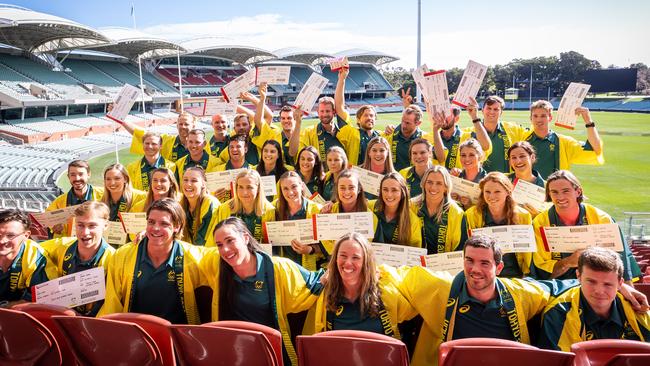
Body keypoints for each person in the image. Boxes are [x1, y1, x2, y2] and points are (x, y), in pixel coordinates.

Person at [397, 235, 647, 366]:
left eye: (485, 263)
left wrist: (620, 288)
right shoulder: (439, 286)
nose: (475, 269)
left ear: (499, 266)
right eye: (469, 261)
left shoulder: (520, 292)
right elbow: (391, 274)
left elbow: (558, 286)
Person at [202, 217, 324, 365]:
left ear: (246, 238)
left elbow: (316, 282)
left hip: (269, 352)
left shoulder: (278, 268)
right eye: (219, 245)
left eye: (230, 240)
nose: (225, 250)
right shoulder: (216, 264)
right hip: (234, 353)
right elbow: (190, 253)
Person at [99, 198, 206, 324]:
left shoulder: (193, 256)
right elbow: (112, 303)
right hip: (136, 333)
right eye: (151, 222)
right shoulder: (122, 256)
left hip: (175, 336)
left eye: (164, 224)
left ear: (177, 226)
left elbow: (220, 256)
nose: (155, 228)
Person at [530, 170, 640, 281]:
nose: (560, 197)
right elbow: (541, 272)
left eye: (565, 191)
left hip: (597, 280)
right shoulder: (540, 223)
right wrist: (568, 262)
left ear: (578, 191)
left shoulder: (602, 218)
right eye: (554, 192)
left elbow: (621, 265)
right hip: (558, 285)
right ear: (548, 194)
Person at [539, 247, 650, 351]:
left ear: (620, 283)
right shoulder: (559, 313)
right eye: (591, 282)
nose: (599, 291)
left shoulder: (638, 309)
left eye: (608, 284)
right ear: (578, 276)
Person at [307, 232, 416, 338]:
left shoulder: (387, 290)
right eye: (343, 256)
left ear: (366, 262)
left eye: (356, 257)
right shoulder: (324, 292)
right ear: (335, 259)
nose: (348, 263)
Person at [40, 201, 115, 316]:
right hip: (60, 316)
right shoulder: (62, 246)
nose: (85, 233)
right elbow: (30, 249)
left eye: (92, 226)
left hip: (94, 322)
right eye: (80, 225)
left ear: (105, 226)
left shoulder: (114, 259)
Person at [465, 172, 533, 277]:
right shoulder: (471, 215)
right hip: (483, 274)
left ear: (507, 192)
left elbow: (529, 253)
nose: (491, 196)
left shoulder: (523, 216)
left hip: (515, 275)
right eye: (487, 191)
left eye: (497, 191)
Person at [523, 100, 604, 179]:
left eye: (543, 116)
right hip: (527, 190)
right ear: (531, 118)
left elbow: (595, 149)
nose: (539, 120)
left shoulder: (564, 142)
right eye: (535, 116)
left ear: (550, 118)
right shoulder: (523, 139)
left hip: (554, 190)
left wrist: (589, 122)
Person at [0, 209, 56, 305]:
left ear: (26, 235)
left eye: (10, 235)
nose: (2, 241)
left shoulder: (35, 258)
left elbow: (40, 300)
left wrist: (6, 308)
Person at [411, 166, 468, 254]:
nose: (433, 187)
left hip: (444, 265)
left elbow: (461, 248)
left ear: (446, 187)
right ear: (423, 184)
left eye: (439, 183)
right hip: (414, 264)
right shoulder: (411, 206)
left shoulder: (457, 213)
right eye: (429, 182)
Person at [273, 171, 323, 270]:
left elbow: (328, 245)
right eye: (285, 189)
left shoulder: (317, 209)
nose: (290, 192)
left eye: (294, 187)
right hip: (283, 269)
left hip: (308, 269)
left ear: (302, 186)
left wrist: (310, 249)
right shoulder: (273, 209)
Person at [334, 67, 381, 165]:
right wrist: (342, 79)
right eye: (366, 115)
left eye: (372, 116)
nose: (369, 118)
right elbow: (339, 106)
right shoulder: (351, 133)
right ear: (358, 120)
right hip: (355, 177)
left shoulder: (381, 136)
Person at [468, 96, 526, 173]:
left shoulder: (512, 129)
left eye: (496, 109)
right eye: (489, 108)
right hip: (480, 181)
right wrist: (474, 116)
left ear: (501, 112)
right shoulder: (471, 132)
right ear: (482, 110)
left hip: (505, 180)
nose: (492, 112)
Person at [46, 160, 104, 238]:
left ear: (88, 174)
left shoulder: (104, 195)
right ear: (68, 177)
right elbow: (48, 220)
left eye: (81, 174)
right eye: (73, 175)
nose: (77, 178)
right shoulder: (59, 202)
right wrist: (54, 227)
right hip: (70, 246)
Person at [214, 169, 275, 243]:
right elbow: (216, 239)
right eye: (240, 187)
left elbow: (272, 243)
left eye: (249, 187)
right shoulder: (225, 208)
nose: (245, 192)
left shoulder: (269, 210)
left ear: (258, 188)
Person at [431, 103, 491, 171]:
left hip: (463, 180)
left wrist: (474, 117)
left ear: (456, 119)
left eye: (447, 115)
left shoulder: (468, 136)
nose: (443, 118)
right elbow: (440, 159)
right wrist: (435, 130)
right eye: (442, 114)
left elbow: (485, 146)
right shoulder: (431, 136)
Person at [123, 111, 198, 162]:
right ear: (177, 125)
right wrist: (121, 119)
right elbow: (141, 133)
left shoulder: (201, 145)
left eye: (186, 124)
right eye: (180, 124)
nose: (183, 127)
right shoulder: (166, 140)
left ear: (193, 126)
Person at [371, 172, 422, 247]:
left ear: (403, 192)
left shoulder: (412, 221)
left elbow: (415, 253)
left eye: (394, 190)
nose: (389, 194)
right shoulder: (370, 207)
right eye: (385, 189)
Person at [289, 96, 345, 162]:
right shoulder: (309, 132)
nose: (324, 114)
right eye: (322, 111)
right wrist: (298, 122)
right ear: (318, 112)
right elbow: (292, 152)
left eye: (327, 111)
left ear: (334, 112)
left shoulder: (344, 132)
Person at [179, 167, 221, 246]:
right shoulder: (181, 204)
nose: (188, 184)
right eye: (185, 180)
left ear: (203, 184)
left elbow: (202, 241)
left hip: (208, 253)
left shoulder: (211, 203)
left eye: (194, 180)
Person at [384, 104, 431, 171]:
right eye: (402, 121)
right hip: (393, 178)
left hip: (414, 179)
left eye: (407, 123)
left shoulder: (425, 139)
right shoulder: (390, 133)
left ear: (418, 123)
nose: (403, 126)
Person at [214, 134, 254, 202]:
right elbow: (208, 196)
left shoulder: (254, 171)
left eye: (238, 146)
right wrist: (214, 197)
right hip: (224, 211)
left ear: (245, 149)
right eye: (231, 147)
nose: (234, 149)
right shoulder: (216, 171)